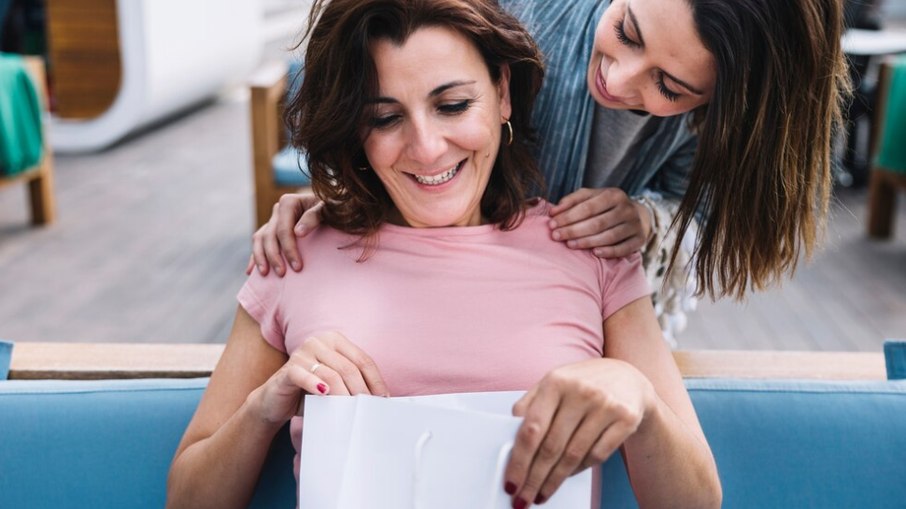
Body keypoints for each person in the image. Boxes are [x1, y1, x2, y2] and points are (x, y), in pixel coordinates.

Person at [166, 1, 721, 508]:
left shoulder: (591, 254)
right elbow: (187, 499)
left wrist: (639, 397)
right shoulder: (295, 252)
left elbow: (696, 502)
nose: (427, 147)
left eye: (452, 105)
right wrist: (267, 404)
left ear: (502, 92)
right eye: (385, 118)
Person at [248, 0, 850, 343]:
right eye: (626, 32)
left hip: (592, 320)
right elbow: (409, 121)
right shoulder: (509, 16)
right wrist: (342, 200)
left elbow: (700, 209)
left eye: (668, 86)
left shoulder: (713, 128)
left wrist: (650, 220)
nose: (616, 82)